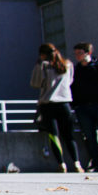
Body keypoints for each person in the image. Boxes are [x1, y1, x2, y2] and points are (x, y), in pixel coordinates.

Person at [30, 43, 83, 173]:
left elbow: (35, 83)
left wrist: (38, 66)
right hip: (64, 103)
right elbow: (70, 81)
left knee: (54, 135)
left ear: (43, 55)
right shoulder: (68, 65)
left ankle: (62, 164)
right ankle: (77, 163)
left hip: (48, 104)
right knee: (69, 135)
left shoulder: (43, 66)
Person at [72, 42, 98, 172]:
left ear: (88, 53)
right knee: (90, 138)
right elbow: (72, 88)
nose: (77, 56)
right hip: (83, 108)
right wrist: (76, 105)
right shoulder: (76, 70)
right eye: (76, 54)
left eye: (80, 53)